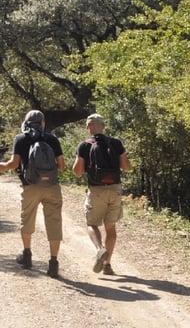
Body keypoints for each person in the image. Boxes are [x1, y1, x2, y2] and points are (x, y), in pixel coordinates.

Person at [0, 109, 65, 278]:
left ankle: (27, 256)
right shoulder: (52, 139)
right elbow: (62, 166)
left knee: (27, 220)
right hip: (52, 187)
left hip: (30, 186)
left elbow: (14, 163)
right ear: (42, 123)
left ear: (26, 123)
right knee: (54, 223)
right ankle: (53, 263)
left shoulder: (21, 138)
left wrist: (3, 166)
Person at [72, 113, 131, 275]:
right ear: (103, 126)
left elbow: (77, 172)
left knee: (92, 224)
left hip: (96, 190)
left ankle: (100, 249)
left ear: (88, 127)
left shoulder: (84, 146)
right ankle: (107, 265)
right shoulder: (116, 143)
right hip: (115, 189)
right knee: (110, 228)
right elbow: (127, 167)